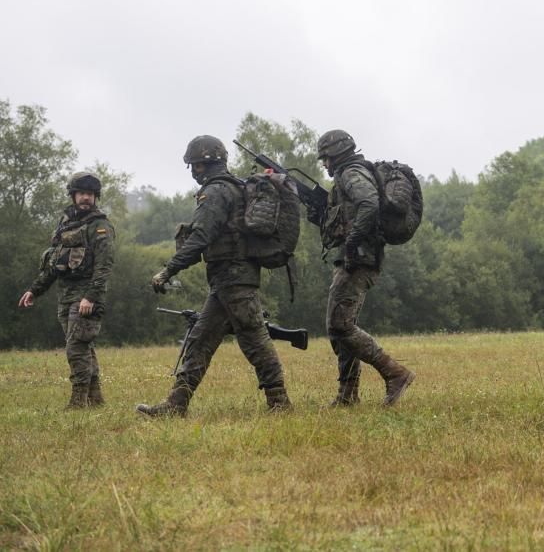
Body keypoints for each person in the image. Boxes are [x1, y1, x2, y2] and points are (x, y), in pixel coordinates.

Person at [137, 136, 291, 417]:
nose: (193, 172)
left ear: (201, 165)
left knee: (254, 338)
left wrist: (168, 269)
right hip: (226, 279)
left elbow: (201, 237)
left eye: (193, 166)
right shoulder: (233, 187)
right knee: (200, 340)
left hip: (234, 277)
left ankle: (279, 402)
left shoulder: (217, 191)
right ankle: (176, 404)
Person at [315, 129, 415, 407]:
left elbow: (369, 203)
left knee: (340, 325)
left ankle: (395, 372)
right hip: (358, 256)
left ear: (336, 154)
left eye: (325, 158)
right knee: (341, 326)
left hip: (359, 257)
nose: (324, 164)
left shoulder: (351, 173)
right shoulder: (350, 174)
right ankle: (347, 395)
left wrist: (351, 242)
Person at [18, 172, 116, 408]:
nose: (86, 198)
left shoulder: (100, 226)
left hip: (86, 297)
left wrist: (90, 297)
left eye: (90, 194)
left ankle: (78, 401)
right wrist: (35, 290)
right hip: (66, 296)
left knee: (76, 348)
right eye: (81, 193)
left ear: (95, 197)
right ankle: (96, 399)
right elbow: (54, 263)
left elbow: (104, 266)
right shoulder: (66, 223)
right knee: (83, 347)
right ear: (73, 196)